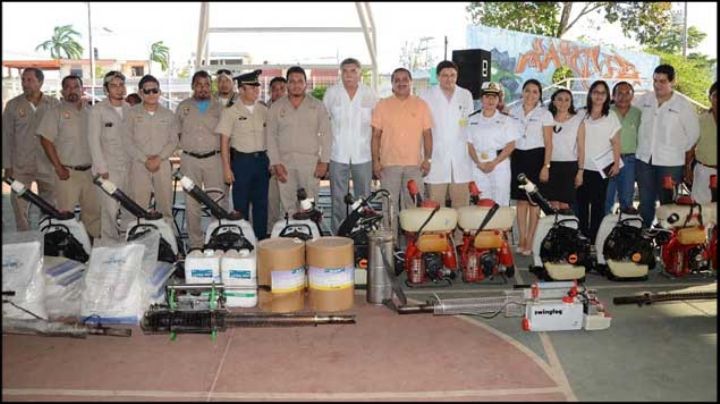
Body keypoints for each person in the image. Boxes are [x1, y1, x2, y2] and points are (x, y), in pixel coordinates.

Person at [36, 75, 101, 238]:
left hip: (90, 173)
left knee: (93, 215)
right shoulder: (55, 112)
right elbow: (46, 140)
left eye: (76, 86)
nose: (72, 90)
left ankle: (92, 251)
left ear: (82, 89)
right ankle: (67, 254)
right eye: (68, 87)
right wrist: (58, 167)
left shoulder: (91, 112)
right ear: (62, 91)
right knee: (65, 216)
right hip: (67, 173)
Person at [634, 64, 700, 226]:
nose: (657, 85)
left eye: (662, 81)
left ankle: (666, 239)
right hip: (644, 160)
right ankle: (644, 236)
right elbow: (631, 120)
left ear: (673, 82)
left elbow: (694, 133)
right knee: (645, 201)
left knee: (668, 203)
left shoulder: (683, 105)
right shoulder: (644, 100)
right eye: (655, 80)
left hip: (670, 163)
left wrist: (679, 152)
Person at [371, 67, 432, 236]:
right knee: (389, 209)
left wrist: (428, 159)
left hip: (414, 165)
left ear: (411, 82)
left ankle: (412, 251)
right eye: (396, 80)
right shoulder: (382, 105)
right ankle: (392, 250)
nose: (401, 82)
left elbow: (427, 134)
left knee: (413, 209)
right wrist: (376, 161)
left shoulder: (421, 105)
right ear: (392, 84)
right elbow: (375, 136)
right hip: (389, 165)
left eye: (405, 79)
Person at [323, 58, 379, 234]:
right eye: (345, 71)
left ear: (360, 73)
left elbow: (377, 127)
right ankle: (338, 236)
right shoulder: (332, 93)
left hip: (363, 155)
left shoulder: (371, 94)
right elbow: (324, 125)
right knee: (338, 199)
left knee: (363, 198)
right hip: (337, 154)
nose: (349, 75)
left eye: (353, 71)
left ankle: (362, 233)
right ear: (341, 73)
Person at [266, 66, 331, 215]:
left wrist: (324, 162)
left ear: (305, 84)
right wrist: (275, 163)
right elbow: (270, 137)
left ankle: (309, 236)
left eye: (299, 81)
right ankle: (292, 237)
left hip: (310, 164)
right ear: (287, 84)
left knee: (309, 206)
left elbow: (327, 135)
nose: (296, 85)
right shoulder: (276, 107)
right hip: (285, 164)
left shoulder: (317, 106)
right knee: (289, 208)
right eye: (292, 81)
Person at [2, 67, 60, 231]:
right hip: (21, 166)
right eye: (23, 80)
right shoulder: (13, 105)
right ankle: (25, 238)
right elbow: (6, 137)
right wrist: (8, 167)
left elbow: (60, 135)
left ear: (40, 82)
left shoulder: (53, 104)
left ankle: (49, 236)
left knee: (50, 205)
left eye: (29, 80)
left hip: (47, 165)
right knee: (19, 206)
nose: (25, 84)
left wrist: (59, 163)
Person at [216, 69, 270, 239]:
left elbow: (271, 136)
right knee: (241, 206)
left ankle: (260, 241)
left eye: (257, 87)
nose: (256, 90)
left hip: (261, 162)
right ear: (241, 90)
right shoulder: (230, 112)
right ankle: (244, 242)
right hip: (241, 163)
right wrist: (226, 168)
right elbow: (224, 141)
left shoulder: (263, 110)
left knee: (261, 205)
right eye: (252, 87)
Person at [176, 70, 226, 250]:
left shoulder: (220, 108)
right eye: (199, 85)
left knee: (217, 201)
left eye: (206, 85)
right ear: (193, 87)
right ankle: (195, 244)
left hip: (214, 159)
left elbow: (225, 136)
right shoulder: (183, 107)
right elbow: (177, 132)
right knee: (191, 204)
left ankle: (217, 239)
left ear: (210, 87)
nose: (203, 88)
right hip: (190, 160)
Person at [124, 74, 180, 228]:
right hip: (139, 165)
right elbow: (127, 141)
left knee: (165, 205)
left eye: (154, 90)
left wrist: (159, 158)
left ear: (159, 92)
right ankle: (139, 239)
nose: (151, 94)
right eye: (147, 91)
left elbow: (173, 140)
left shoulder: (169, 115)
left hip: (162, 164)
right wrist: (145, 159)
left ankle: (167, 242)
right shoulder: (131, 114)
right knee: (138, 206)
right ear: (141, 93)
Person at [508, 79, 554, 255]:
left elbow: (549, 143)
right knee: (520, 201)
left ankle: (531, 240)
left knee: (534, 201)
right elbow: (510, 137)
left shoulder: (545, 114)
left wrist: (546, 166)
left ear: (540, 95)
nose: (530, 95)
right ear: (522, 92)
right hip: (518, 157)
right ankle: (522, 238)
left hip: (536, 158)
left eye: (535, 92)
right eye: (527, 90)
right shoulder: (513, 112)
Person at [420, 60, 474, 208]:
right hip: (436, 157)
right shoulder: (426, 95)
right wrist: (424, 157)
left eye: (452, 75)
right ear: (437, 76)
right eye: (444, 75)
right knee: (435, 205)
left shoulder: (465, 94)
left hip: (461, 157)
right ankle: (439, 232)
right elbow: (422, 128)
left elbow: (469, 126)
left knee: (461, 205)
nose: (449, 79)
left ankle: (459, 233)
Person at [87, 70, 133, 241]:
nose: (119, 89)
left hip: (129, 167)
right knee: (109, 212)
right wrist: (101, 168)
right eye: (114, 86)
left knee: (129, 210)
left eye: (121, 85)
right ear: (106, 89)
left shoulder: (130, 109)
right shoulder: (97, 110)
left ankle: (126, 246)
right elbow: (93, 140)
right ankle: (108, 249)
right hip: (109, 170)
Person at [575, 80, 621, 242]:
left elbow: (616, 142)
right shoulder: (581, 114)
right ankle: (581, 238)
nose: (599, 96)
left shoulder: (611, 116)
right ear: (590, 94)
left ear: (607, 96)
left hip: (601, 169)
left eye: (603, 93)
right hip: (581, 167)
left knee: (598, 206)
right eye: (596, 92)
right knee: (580, 205)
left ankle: (595, 239)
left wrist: (616, 163)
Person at [465, 81, 520, 206]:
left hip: (499, 164)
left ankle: (500, 226)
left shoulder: (506, 120)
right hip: (478, 164)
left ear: (498, 100)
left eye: (494, 97)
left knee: (501, 201)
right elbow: (469, 144)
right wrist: (479, 163)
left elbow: (511, 145)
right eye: (487, 96)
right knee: (482, 202)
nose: (490, 100)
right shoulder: (471, 119)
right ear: (481, 98)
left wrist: (494, 163)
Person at [544, 88, 585, 210]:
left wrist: (580, 172)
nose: (563, 103)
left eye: (567, 100)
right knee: (552, 205)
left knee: (565, 206)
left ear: (571, 102)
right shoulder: (547, 119)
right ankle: (554, 228)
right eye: (560, 99)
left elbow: (581, 149)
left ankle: (565, 228)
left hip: (569, 167)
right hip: (550, 166)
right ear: (554, 101)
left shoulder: (578, 121)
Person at [604, 81, 641, 215]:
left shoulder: (638, 113)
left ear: (633, 96)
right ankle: (604, 231)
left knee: (627, 199)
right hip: (608, 159)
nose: (624, 96)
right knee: (607, 198)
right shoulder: (606, 112)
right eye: (620, 93)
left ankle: (625, 231)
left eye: (627, 93)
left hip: (629, 160)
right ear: (613, 96)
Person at [687, 81, 717, 204]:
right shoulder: (699, 121)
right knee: (701, 212)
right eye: (716, 96)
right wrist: (687, 169)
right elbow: (690, 147)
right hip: (704, 172)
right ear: (710, 98)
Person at [266, 76, 287, 232]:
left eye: (282, 89)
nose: (279, 93)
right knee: (272, 204)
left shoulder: (294, 108)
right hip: (269, 167)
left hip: (290, 165)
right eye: (275, 89)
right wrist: (272, 163)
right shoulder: (262, 110)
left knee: (290, 205)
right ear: (270, 92)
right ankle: (272, 238)